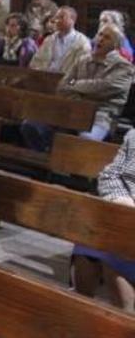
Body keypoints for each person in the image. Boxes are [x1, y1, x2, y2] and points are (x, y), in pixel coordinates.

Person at [21, 24, 134, 150]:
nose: (100, 39)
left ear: (116, 45)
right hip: (72, 110)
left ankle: (69, 166)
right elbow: (62, 86)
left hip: (99, 117)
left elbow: (103, 87)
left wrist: (74, 85)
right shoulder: (83, 60)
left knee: (85, 140)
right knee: (30, 125)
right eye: (100, 34)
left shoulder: (123, 67)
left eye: (107, 37)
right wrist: (78, 95)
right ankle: (44, 159)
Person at [71, 128, 135, 313]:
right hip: (126, 216)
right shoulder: (133, 135)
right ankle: (79, 308)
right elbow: (110, 176)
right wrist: (125, 203)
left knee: (113, 265)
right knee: (88, 243)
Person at [29, 6, 92, 74]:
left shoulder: (82, 42)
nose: (57, 20)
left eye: (61, 17)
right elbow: (36, 62)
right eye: (57, 17)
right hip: (46, 78)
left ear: (72, 19)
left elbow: (82, 68)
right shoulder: (49, 40)